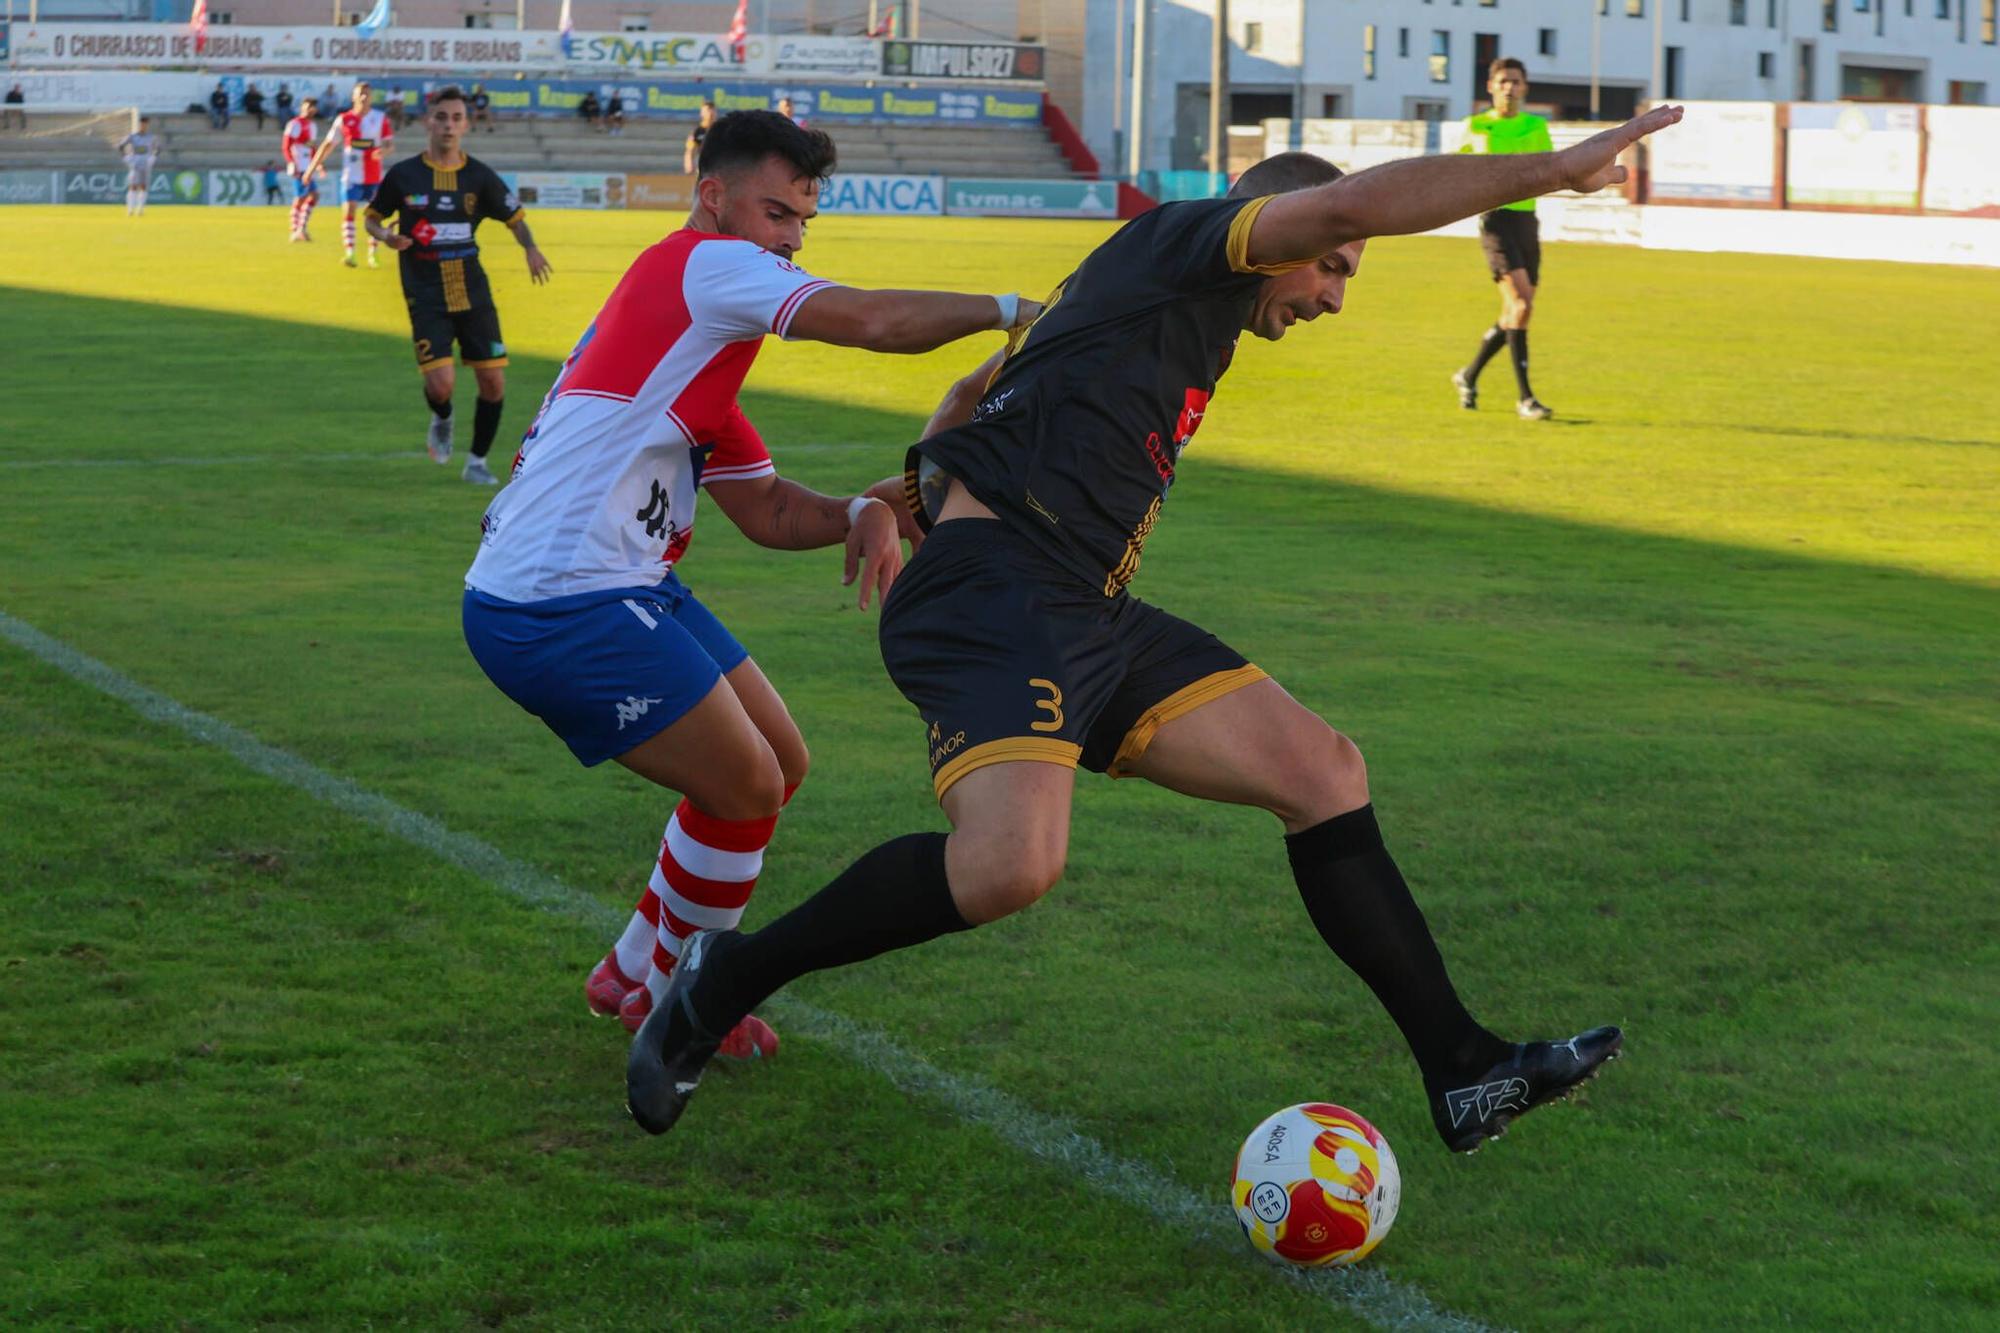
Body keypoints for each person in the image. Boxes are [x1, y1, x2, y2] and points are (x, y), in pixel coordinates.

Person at [626, 105, 1688, 1153]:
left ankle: (1463, 1067)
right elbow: (1352, 201)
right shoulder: (1194, 242)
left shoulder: (1168, 298)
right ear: (1279, 229)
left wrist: (920, 494)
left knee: (1322, 771)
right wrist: (1553, 170)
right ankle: (724, 977)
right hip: (1001, 594)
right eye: (1333, 267)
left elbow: (969, 394)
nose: (1332, 296)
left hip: (1078, 602)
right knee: (1010, 866)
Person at [460, 110, 1039, 1060]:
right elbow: (873, 320)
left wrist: (865, 509)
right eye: (776, 213)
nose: (792, 239)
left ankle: (632, 967)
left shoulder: (691, 345)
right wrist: (1015, 311)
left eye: (803, 220)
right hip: (558, 599)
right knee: (746, 786)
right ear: (712, 197)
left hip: (617, 584)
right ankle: (677, 1004)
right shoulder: (701, 266)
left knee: (779, 760)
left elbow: (768, 511)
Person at [360, 86, 550, 484]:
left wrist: (531, 248)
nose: (449, 125)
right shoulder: (404, 175)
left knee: (493, 382)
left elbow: (515, 218)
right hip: (425, 294)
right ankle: (443, 417)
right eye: (442, 117)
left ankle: (477, 462)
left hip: (473, 292)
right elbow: (372, 218)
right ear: (428, 122)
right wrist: (386, 236)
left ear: (466, 125)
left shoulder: (478, 176)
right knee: (441, 385)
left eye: (457, 118)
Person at [1452, 58, 1557, 421]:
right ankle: (1526, 399)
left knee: (1515, 311)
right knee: (1521, 306)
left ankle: (1468, 376)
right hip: (1494, 222)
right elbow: (1454, 173)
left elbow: (1550, 170)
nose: (1509, 87)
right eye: (1503, 81)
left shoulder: (1536, 127)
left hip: (1526, 222)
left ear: (1524, 87)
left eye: (1515, 81)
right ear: (1490, 86)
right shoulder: (1475, 126)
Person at [300, 81, 394, 268]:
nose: (364, 97)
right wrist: (311, 169)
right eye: (360, 93)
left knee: (374, 217)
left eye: (367, 93)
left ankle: (373, 254)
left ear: (371, 97)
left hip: (374, 177)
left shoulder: (380, 118)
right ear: (353, 97)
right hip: (351, 176)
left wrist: (383, 151)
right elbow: (328, 145)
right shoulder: (344, 119)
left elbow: (389, 145)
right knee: (348, 212)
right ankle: (350, 253)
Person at [281, 95, 323, 242]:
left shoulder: (313, 126)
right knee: (301, 198)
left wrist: (318, 164)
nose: (310, 109)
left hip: (308, 167)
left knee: (313, 196)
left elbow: (312, 147)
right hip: (299, 165)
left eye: (313, 107)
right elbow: (286, 145)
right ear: (302, 107)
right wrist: (291, 162)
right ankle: (296, 230)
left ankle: (300, 229)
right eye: (308, 106)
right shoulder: (294, 124)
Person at [116, 116, 158, 217]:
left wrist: (153, 157)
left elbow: (158, 148)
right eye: (142, 124)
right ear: (139, 125)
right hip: (135, 164)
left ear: (147, 125)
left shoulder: (151, 137)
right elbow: (120, 146)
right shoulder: (132, 136)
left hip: (146, 164)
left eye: (145, 124)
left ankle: (140, 209)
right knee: (133, 186)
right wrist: (126, 157)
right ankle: (130, 209)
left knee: (143, 186)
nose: (143, 126)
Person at [682, 99, 715, 174]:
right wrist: (689, 164)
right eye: (708, 110)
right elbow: (690, 150)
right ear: (702, 113)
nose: (711, 113)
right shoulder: (697, 132)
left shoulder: (721, 129)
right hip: (704, 169)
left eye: (712, 110)